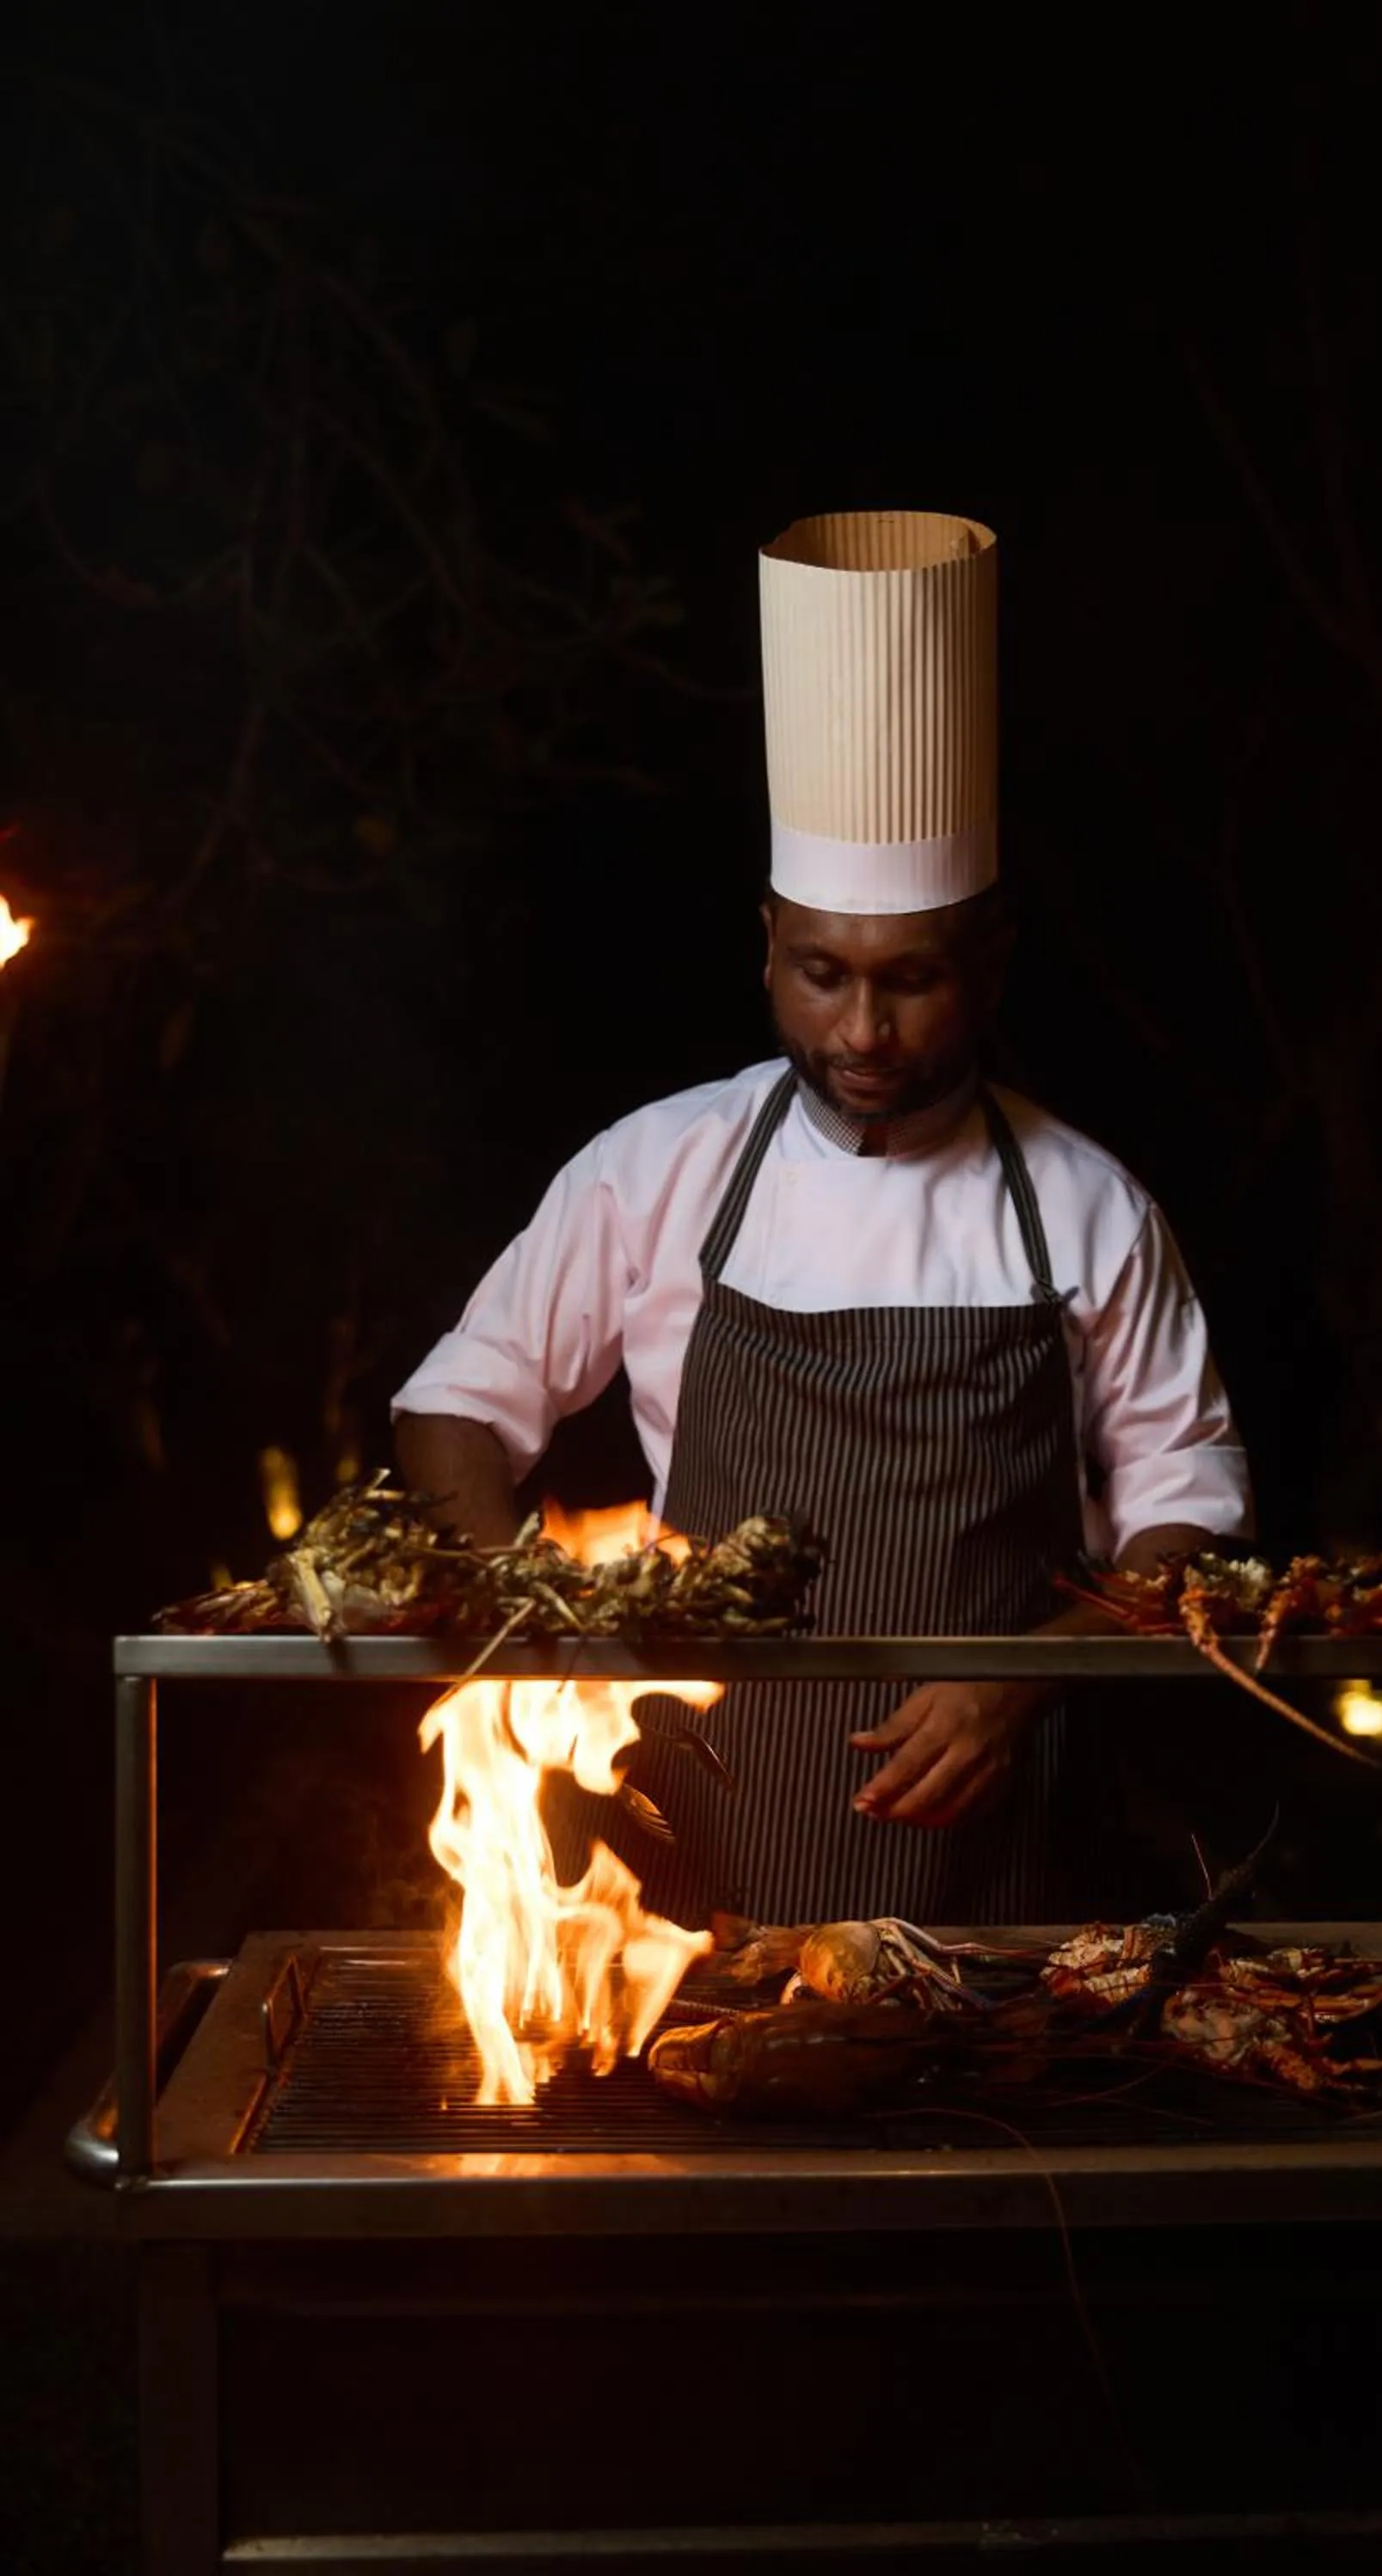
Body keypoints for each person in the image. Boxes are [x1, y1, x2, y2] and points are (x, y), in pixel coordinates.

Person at [394, 508, 1251, 1925]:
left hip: (1009, 1888)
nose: (863, 1028)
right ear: (769, 951)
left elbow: (1192, 1513)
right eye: (819, 974)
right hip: (684, 1897)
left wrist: (1025, 1675)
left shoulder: (1091, 1208)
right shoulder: (660, 1168)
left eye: (908, 977)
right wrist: (526, 1634)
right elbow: (451, 1411)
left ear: (990, 963)